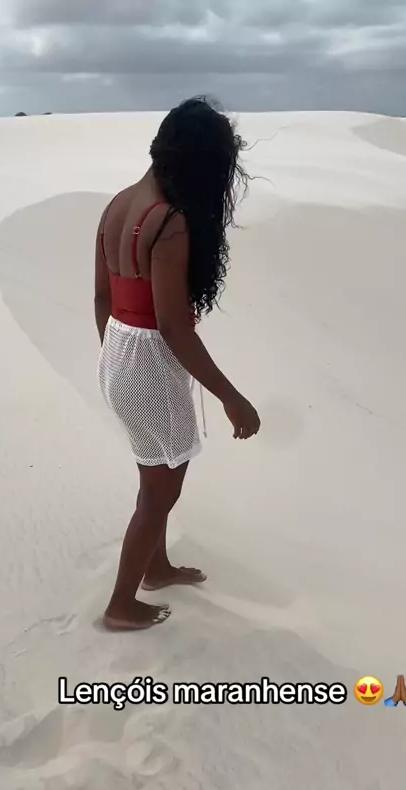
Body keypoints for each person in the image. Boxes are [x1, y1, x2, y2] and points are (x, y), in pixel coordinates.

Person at [95, 96, 261, 630]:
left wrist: (116, 359)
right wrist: (232, 397)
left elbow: (102, 298)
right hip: (148, 358)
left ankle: (157, 567)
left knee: (155, 478)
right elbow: (172, 326)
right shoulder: (169, 220)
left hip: (119, 349)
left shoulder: (119, 203)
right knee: (160, 490)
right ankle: (121, 604)